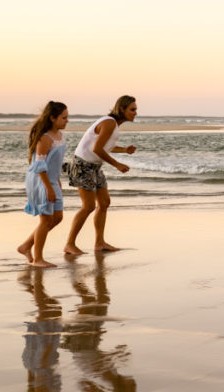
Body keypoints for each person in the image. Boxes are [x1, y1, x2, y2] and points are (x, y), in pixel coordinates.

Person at [65, 96, 138, 254]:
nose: (135, 113)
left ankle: (99, 243)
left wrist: (124, 149)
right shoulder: (109, 123)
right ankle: (69, 244)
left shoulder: (113, 125)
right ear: (122, 109)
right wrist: (117, 164)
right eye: (132, 109)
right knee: (88, 206)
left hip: (95, 166)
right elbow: (97, 149)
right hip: (82, 165)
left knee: (104, 203)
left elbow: (104, 147)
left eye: (135, 109)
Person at [18, 101, 69, 268]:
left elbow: (54, 163)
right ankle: (38, 259)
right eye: (63, 118)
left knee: (57, 218)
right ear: (53, 118)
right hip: (41, 181)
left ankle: (26, 246)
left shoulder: (59, 136)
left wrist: (57, 182)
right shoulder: (45, 138)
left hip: (52, 180)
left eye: (67, 117)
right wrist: (48, 188)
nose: (67, 120)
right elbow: (40, 166)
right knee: (46, 220)